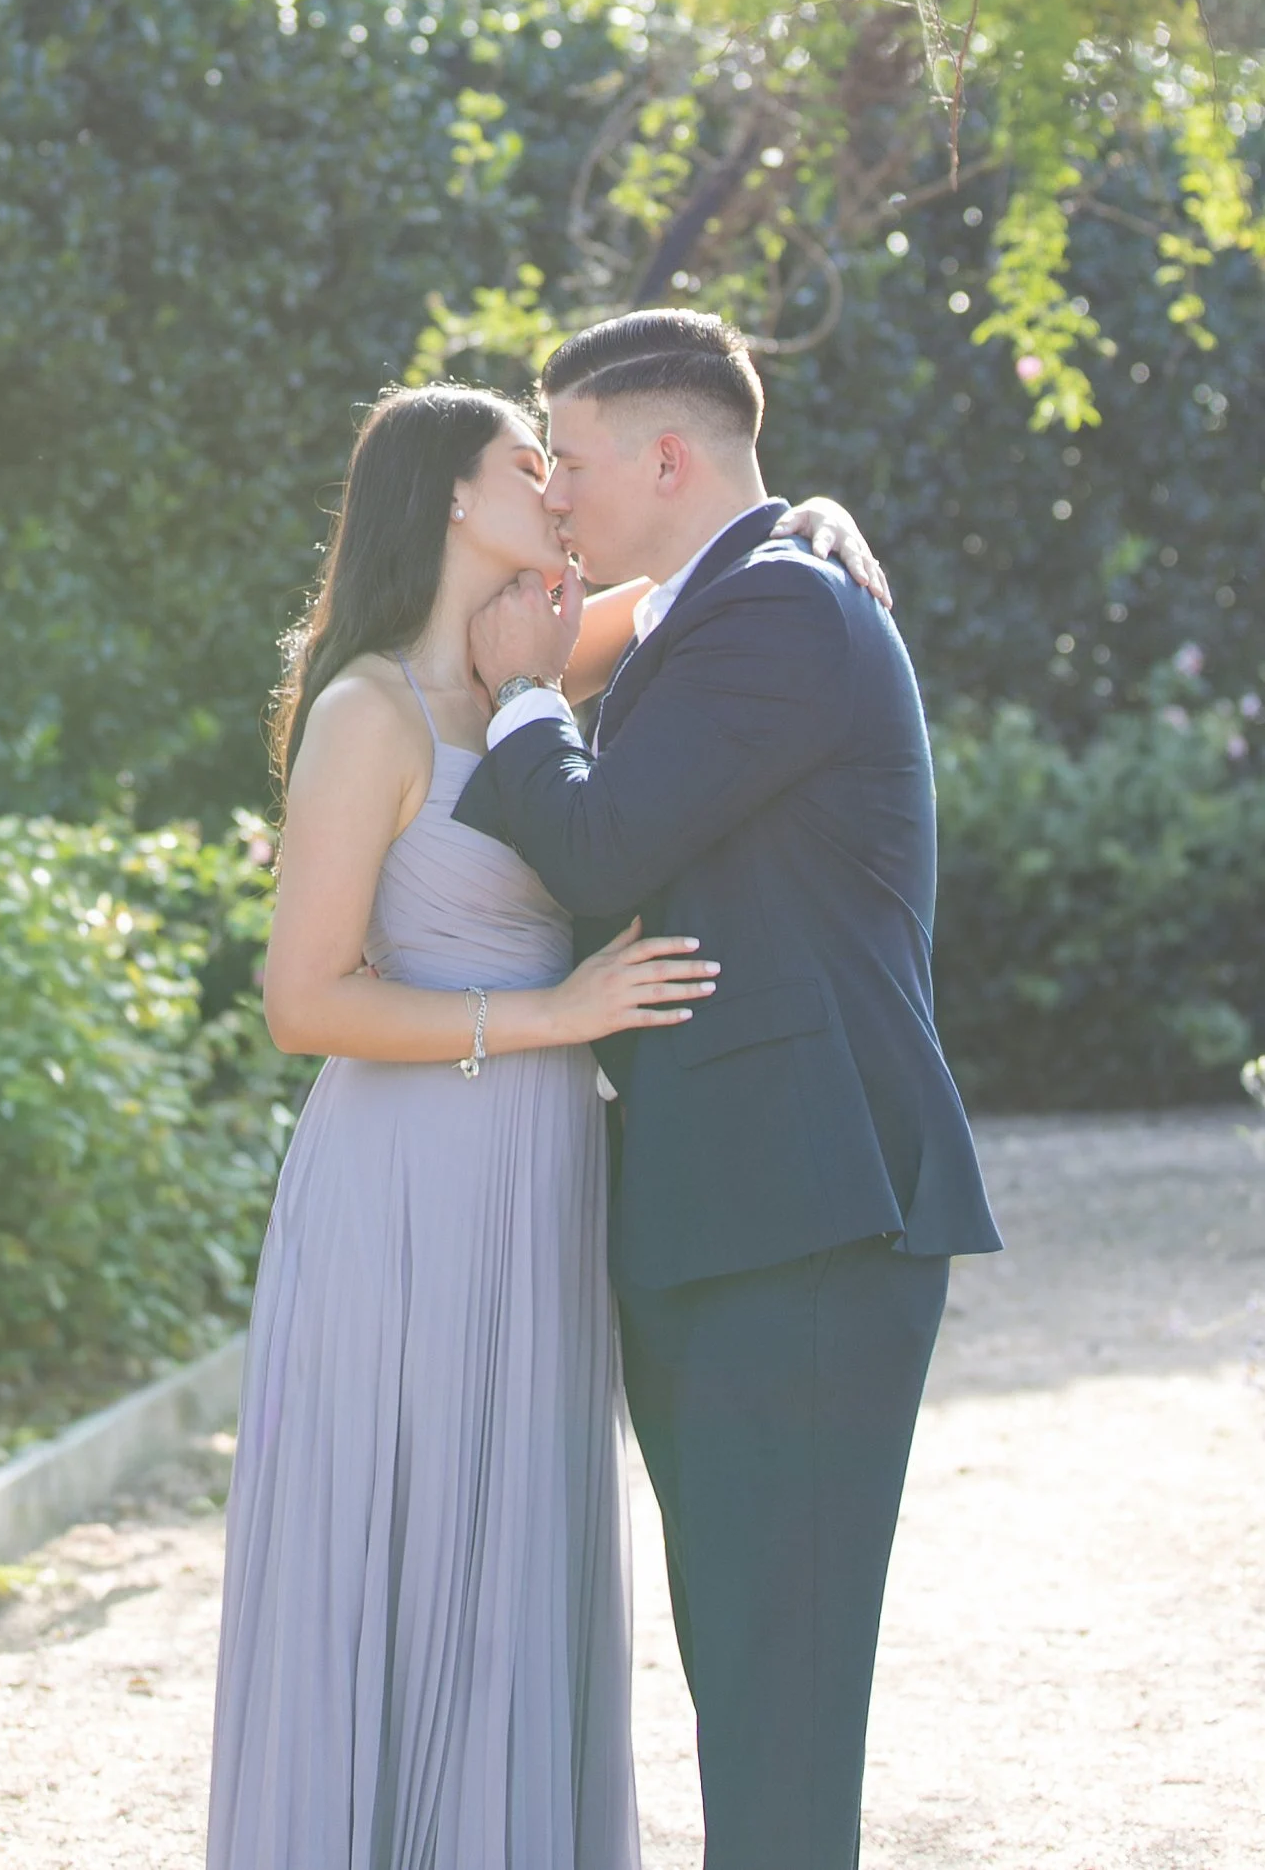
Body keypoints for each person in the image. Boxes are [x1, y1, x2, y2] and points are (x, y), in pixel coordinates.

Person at [206, 378, 887, 1870]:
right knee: (409, 1538)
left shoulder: (539, 654)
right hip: (411, 1180)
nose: (561, 491)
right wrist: (554, 1017)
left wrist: (822, 517)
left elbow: (722, 574)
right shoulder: (368, 708)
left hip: (546, 1179)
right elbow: (302, 1001)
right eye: (533, 464)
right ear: (457, 495)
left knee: (518, 1547)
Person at [456, 308, 1001, 1870]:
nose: (553, 492)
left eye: (568, 459)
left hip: (803, 1220)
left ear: (666, 458)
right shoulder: (733, 599)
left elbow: (600, 845)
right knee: (754, 1680)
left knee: (779, 1693)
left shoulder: (779, 606)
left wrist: (524, 695)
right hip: (738, 1214)